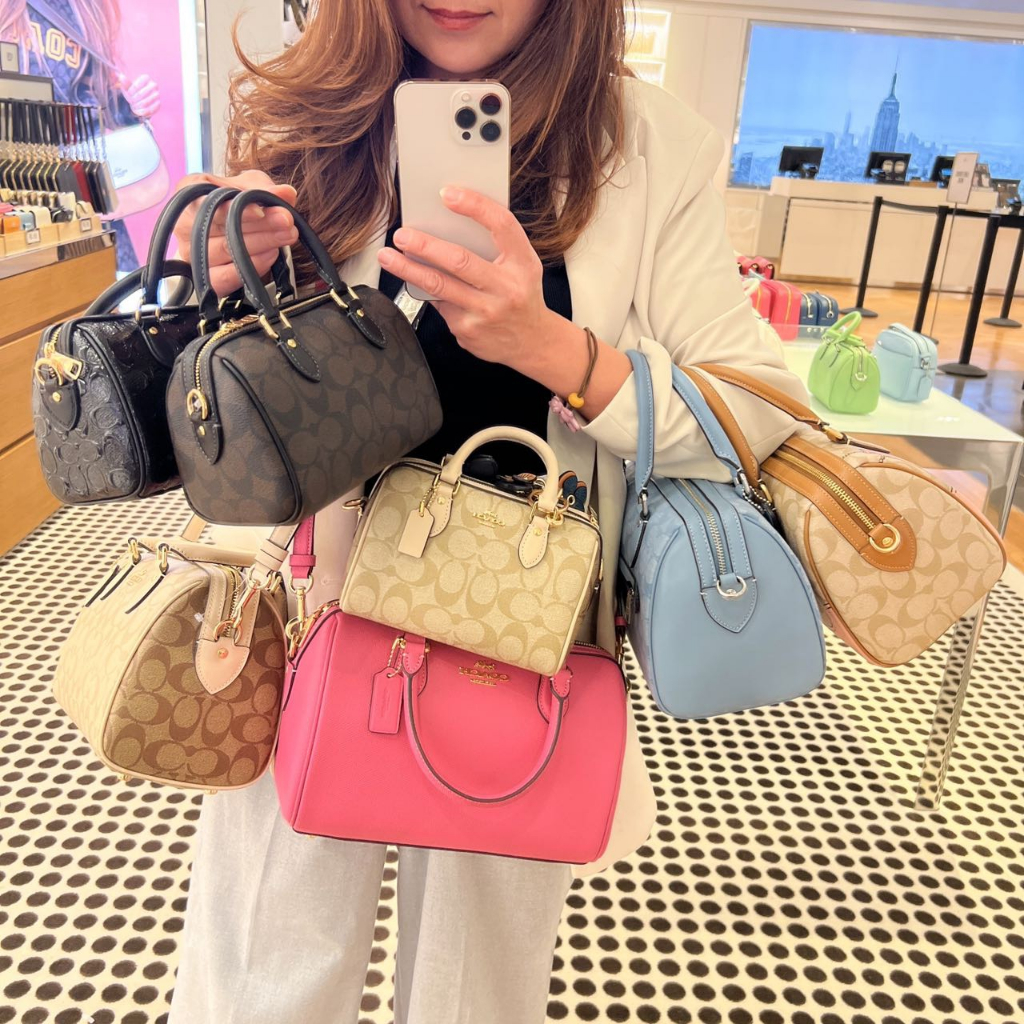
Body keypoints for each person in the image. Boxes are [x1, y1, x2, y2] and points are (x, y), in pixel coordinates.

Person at [166, 2, 808, 1021]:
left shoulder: (643, 142)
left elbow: (760, 409)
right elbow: (218, 395)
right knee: (265, 960)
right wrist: (209, 277)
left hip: (519, 617)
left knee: (474, 983)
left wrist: (554, 349)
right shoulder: (311, 111)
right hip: (302, 606)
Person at [0, 0, 162, 272]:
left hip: (84, 198)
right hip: (20, 201)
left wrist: (130, 105)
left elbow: (96, 104)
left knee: (105, 293)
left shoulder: (87, 7)